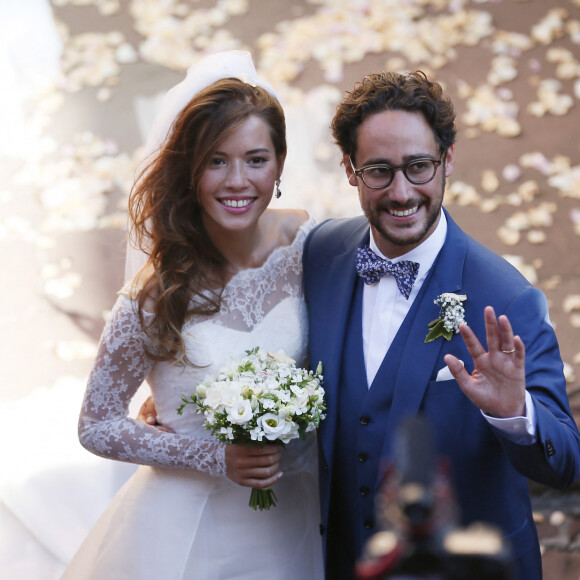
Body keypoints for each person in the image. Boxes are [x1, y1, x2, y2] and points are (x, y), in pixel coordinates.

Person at [302, 70, 580, 580]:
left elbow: (564, 463)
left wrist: (515, 413)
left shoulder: (507, 297)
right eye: (379, 170)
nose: (402, 192)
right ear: (349, 169)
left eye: (419, 167)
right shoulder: (320, 255)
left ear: (448, 159)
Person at [61, 51, 323, 580]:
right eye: (215, 160)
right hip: (193, 529)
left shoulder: (308, 244)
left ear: (279, 163)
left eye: (255, 159)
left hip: (301, 508)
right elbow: (96, 425)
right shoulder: (156, 293)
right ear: (190, 169)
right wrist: (213, 457)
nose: (237, 181)